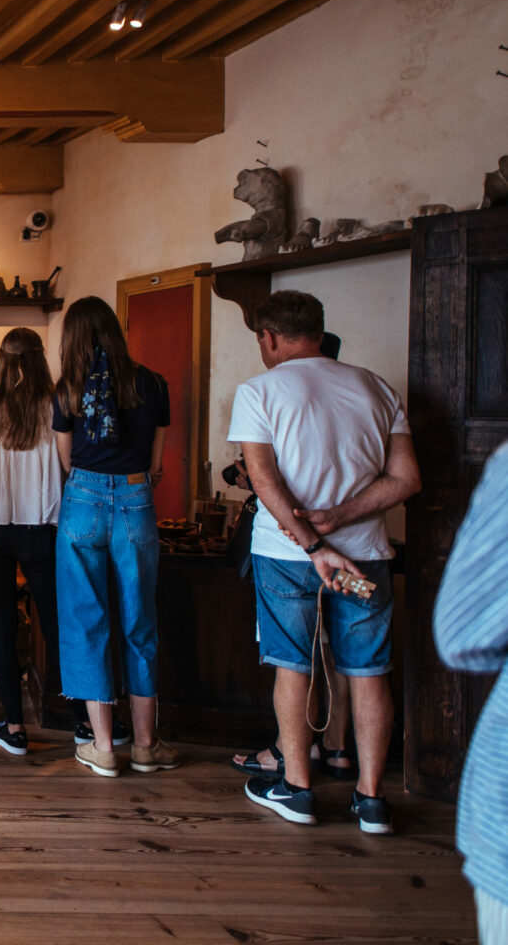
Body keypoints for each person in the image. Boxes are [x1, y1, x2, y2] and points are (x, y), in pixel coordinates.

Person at [228, 290, 420, 832]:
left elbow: (263, 481)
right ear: (318, 329)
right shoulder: (377, 387)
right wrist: (340, 517)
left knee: (292, 665)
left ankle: (298, 789)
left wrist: (313, 541)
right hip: (367, 557)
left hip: (288, 554)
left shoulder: (258, 390)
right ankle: (372, 799)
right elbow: (406, 480)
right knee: (368, 671)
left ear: (267, 337)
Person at [53, 295, 179, 778]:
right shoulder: (152, 384)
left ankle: (103, 747)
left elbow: (67, 463)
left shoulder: (66, 390)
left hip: (83, 499)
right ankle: (146, 745)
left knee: (87, 620)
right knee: (140, 621)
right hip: (135, 499)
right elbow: (157, 463)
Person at [0, 327, 64, 755]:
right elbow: (67, 468)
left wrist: (1, 482)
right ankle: (80, 719)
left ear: (1, 361)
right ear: (41, 359)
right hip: (43, 527)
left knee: (3, 620)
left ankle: (14, 727)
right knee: (58, 625)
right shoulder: (58, 405)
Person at [434, 441, 508, 944]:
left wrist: (310, 539)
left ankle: (296, 778)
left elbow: (462, 635)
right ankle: (367, 793)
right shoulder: (377, 398)